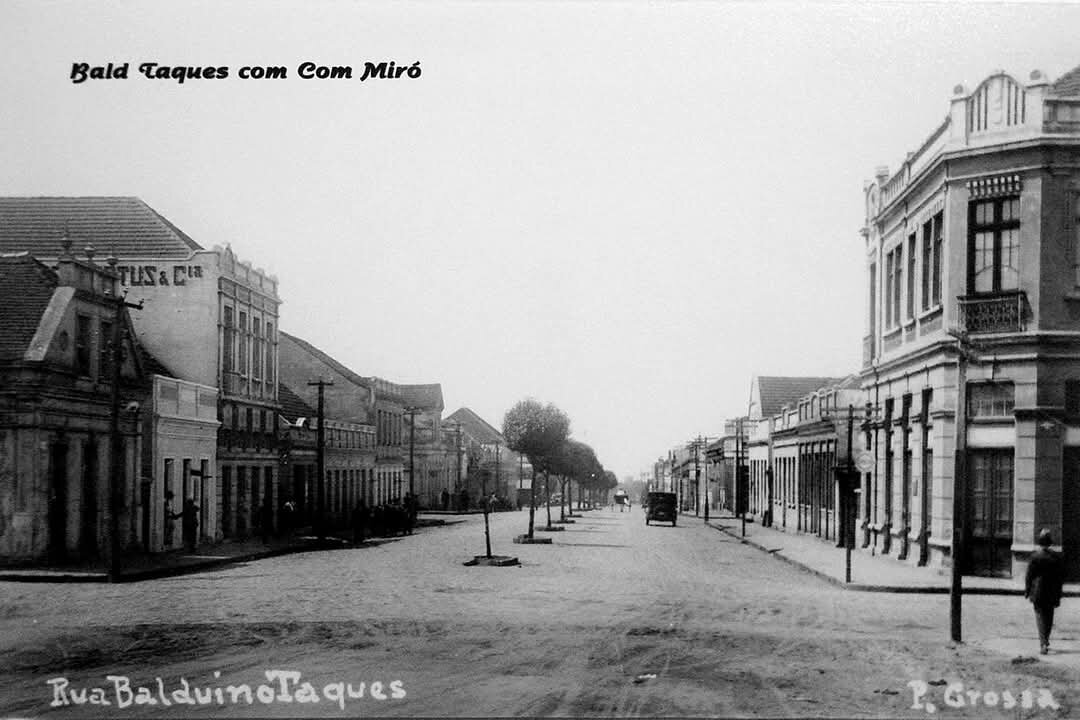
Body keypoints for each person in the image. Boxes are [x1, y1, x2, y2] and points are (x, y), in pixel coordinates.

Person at [1025, 528, 1065, 655]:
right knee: (1049, 618)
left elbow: (1029, 576)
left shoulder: (1035, 556)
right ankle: (1046, 640)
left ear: (1039, 542)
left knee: (1039, 617)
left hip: (1037, 592)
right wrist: (1059, 594)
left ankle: (1043, 643)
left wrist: (1027, 590)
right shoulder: (1056, 557)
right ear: (1050, 542)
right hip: (1051, 592)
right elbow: (1060, 577)